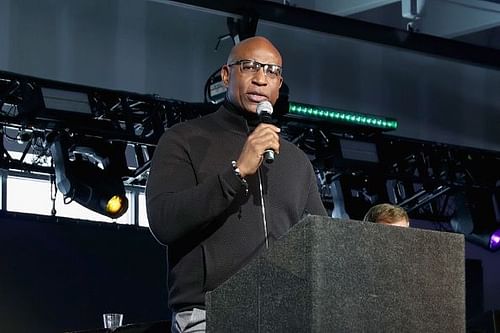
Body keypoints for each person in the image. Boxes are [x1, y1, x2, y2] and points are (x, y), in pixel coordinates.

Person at [146, 36, 327, 332]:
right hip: (211, 315)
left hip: (286, 318)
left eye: (271, 71)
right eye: (249, 67)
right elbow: (163, 222)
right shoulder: (185, 139)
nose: (260, 79)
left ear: (279, 86)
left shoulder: (296, 161)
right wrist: (237, 173)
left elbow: (321, 242)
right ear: (226, 74)